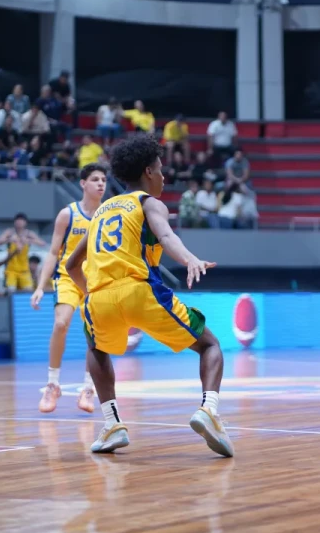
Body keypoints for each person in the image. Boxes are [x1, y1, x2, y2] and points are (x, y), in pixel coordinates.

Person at [64, 134, 233, 456]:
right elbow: (167, 235)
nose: (164, 176)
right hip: (139, 290)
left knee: (96, 348)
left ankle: (112, 424)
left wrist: (92, 294)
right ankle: (209, 411)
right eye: (160, 169)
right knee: (209, 345)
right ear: (148, 172)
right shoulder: (148, 202)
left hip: (98, 298)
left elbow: (72, 264)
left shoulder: (99, 212)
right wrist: (190, 260)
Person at [32, 164, 108, 413]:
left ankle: (88, 389)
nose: (101, 184)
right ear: (83, 184)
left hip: (95, 282)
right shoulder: (68, 214)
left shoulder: (108, 215)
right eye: (95, 179)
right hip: (67, 277)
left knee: (95, 334)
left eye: (104, 180)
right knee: (61, 323)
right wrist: (40, 287)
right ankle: (53, 384)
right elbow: (53, 252)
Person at [0, 213, 47, 292]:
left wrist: (29, 240)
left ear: (25, 223)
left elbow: (43, 243)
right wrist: (9, 240)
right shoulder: (10, 232)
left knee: (28, 290)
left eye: (22, 221)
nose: (19, 222)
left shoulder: (28, 234)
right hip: (11, 269)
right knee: (11, 291)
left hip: (24, 270)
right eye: (17, 220)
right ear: (14, 222)